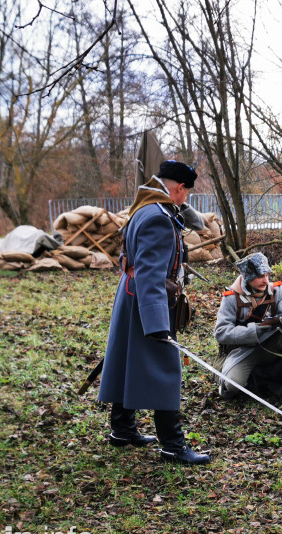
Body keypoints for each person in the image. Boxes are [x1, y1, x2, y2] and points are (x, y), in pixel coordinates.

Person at [98, 160, 210, 466]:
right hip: (147, 300)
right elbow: (149, 273)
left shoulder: (143, 208)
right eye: (185, 193)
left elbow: (126, 256)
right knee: (164, 368)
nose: (185, 199)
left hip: (131, 295)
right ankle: (173, 445)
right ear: (178, 188)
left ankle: (122, 429)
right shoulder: (158, 217)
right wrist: (158, 323)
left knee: (126, 359)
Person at [214, 252, 282, 408]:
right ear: (248, 278)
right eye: (260, 276)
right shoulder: (231, 297)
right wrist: (254, 331)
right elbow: (221, 333)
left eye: (267, 275)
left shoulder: (277, 291)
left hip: (270, 346)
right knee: (232, 385)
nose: (265, 280)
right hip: (243, 350)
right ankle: (254, 379)